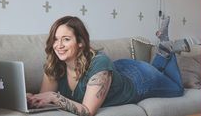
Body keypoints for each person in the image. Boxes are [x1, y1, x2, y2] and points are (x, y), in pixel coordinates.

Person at [27, 15, 190, 116]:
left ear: (81, 43)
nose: (58, 45)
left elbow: (87, 111)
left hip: (139, 79)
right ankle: (163, 50)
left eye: (66, 39)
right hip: (116, 71)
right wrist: (30, 98)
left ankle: (166, 48)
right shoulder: (54, 65)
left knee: (177, 89)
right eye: (55, 39)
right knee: (160, 73)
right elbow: (44, 97)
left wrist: (56, 97)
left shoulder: (99, 63)